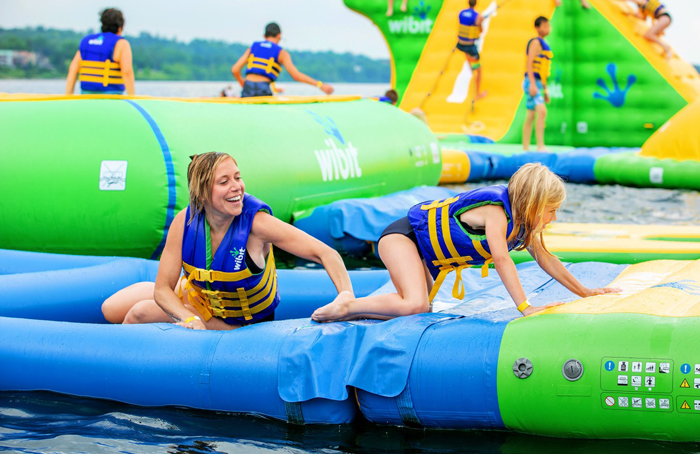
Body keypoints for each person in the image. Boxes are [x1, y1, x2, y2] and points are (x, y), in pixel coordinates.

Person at [312, 163, 619, 322]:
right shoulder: (497, 212)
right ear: (533, 204)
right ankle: (346, 303)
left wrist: (586, 292)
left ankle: (354, 312)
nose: (553, 218)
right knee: (415, 303)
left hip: (422, 251)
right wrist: (525, 307)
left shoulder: (523, 223)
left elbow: (547, 259)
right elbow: (501, 258)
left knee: (421, 310)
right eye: (551, 211)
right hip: (402, 238)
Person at [102, 152, 354, 330]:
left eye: (237, 177)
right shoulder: (185, 220)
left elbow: (326, 253)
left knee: (139, 313)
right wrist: (188, 319)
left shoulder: (257, 225)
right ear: (201, 193)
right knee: (110, 309)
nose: (237, 187)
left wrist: (345, 295)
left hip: (239, 321)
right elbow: (161, 290)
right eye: (224, 182)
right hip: (199, 298)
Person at [231, 22, 334, 98]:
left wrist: (243, 83)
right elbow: (296, 75)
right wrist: (320, 85)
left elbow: (235, 69)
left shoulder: (252, 48)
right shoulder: (281, 53)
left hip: (247, 87)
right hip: (263, 88)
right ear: (279, 36)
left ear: (264, 36)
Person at [65, 8, 134, 95]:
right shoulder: (121, 44)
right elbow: (127, 72)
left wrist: (68, 95)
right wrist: (132, 98)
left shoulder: (86, 41)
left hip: (86, 95)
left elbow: (73, 70)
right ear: (120, 27)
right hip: (111, 95)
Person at [522, 16, 553, 152]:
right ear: (537, 28)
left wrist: (545, 91)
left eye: (548, 26)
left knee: (531, 114)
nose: (547, 28)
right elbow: (529, 64)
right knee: (542, 111)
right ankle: (540, 146)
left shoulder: (544, 44)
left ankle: (526, 147)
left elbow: (543, 70)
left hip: (538, 83)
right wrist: (532, 85)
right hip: (531, 82)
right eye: (544, 26)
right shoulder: (536, 43)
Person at [608, 0, 672, 58]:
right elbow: (643, 18)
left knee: (648, 35)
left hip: (664, 18)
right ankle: (664, 46)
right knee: (650, 35)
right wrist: (630, 14)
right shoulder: (644, 4)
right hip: (664, 18)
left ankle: (666, 48)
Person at [457, 0, 487, 101]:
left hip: (460, 44)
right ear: (476, 4)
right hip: (469, 46)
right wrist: (480, 22)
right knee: (478, 71)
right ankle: (477, 94)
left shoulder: (461, 13)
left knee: (471, 62)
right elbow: (480, 31)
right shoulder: (476, 16)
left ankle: (471, 67)